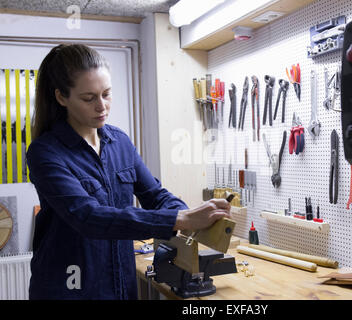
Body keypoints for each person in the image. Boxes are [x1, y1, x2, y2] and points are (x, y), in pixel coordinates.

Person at [26, 44, 231, 300]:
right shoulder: (45, 152)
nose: (102, 106)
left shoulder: (119, 142)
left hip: (120, 285)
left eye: (107, 94)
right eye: (89, 98)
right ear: (61, 97)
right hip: (69, 290)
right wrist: (181, 219)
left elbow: (155, 195)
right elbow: (88, 217)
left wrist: (194, 215)